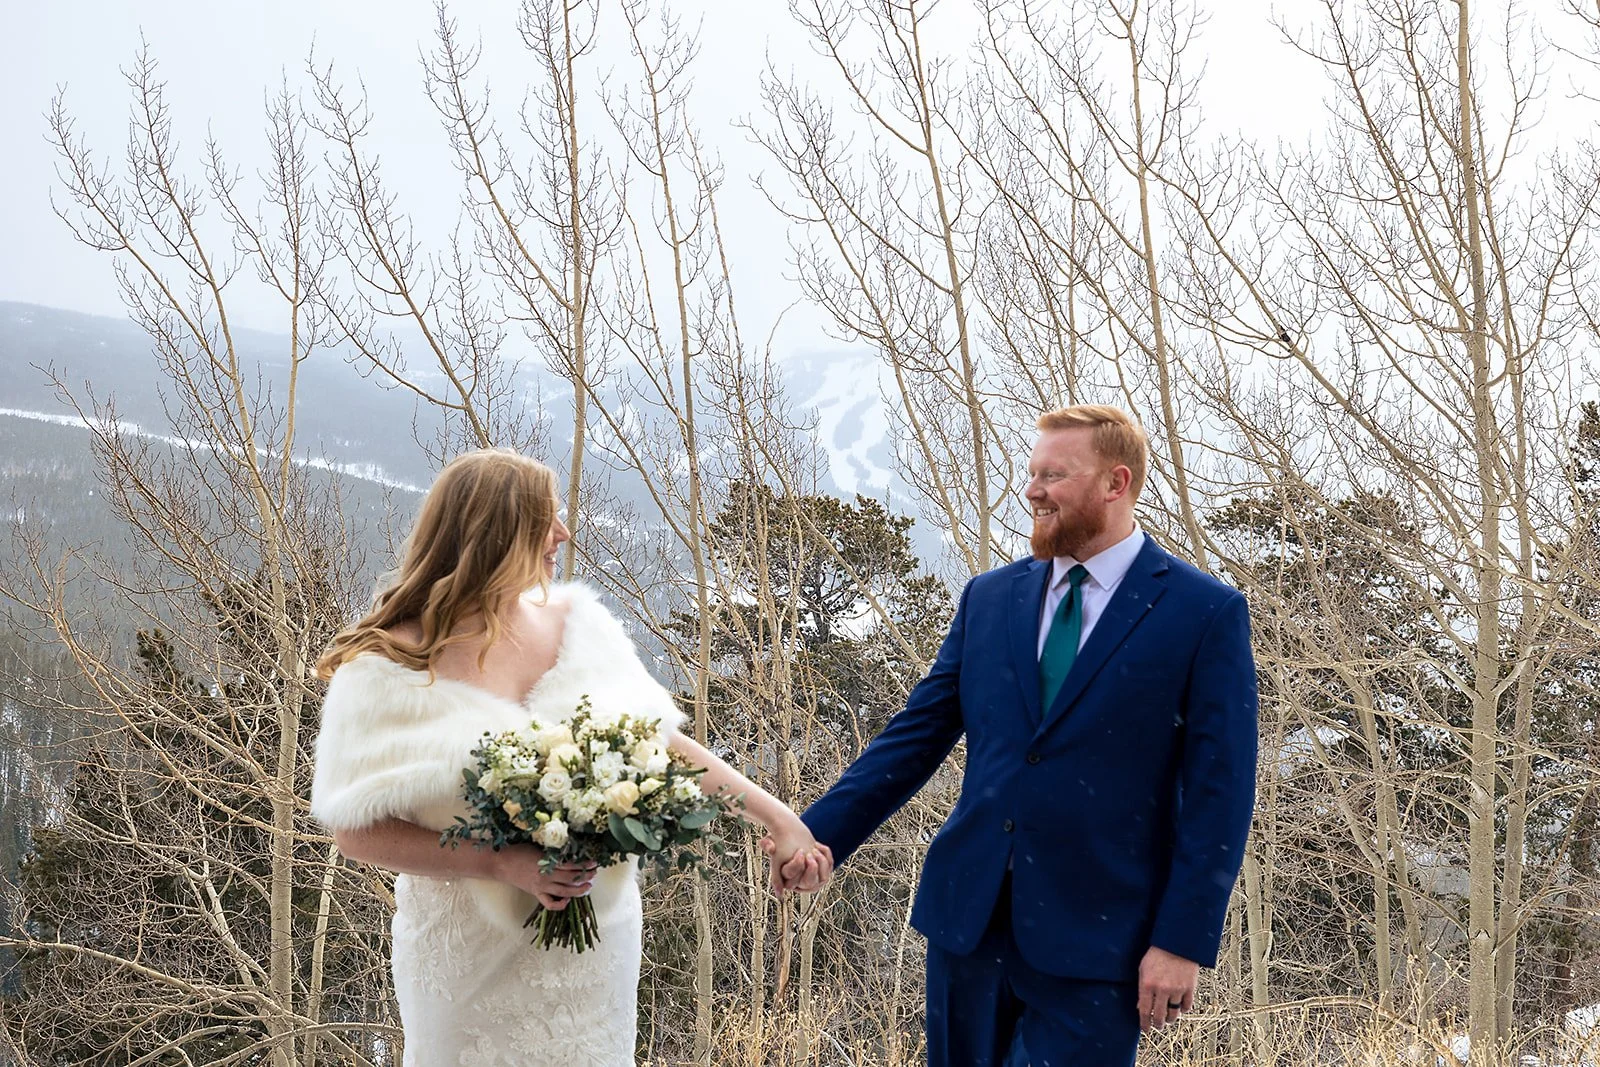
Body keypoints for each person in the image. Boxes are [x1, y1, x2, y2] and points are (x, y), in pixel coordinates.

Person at [310, 448, 829, 1066]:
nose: (563, 533)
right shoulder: (386, 669)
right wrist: (503, 863)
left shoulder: (581, 627)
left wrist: (780, 821)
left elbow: (663, 743)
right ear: (494, 535)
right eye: (545, 519)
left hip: (595, 953)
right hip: (468, 963)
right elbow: (354, 833)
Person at [778, 405, 1258, 1067]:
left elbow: (1221, 792)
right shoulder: (989, 598)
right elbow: (915, 735)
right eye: (1031, 472)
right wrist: (819, 832)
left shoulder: (1204, 613)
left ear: (1115, 484)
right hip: (965, 928)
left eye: (1054, 475)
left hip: (1101, 944)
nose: (1031, 489)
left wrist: (1182, 939)